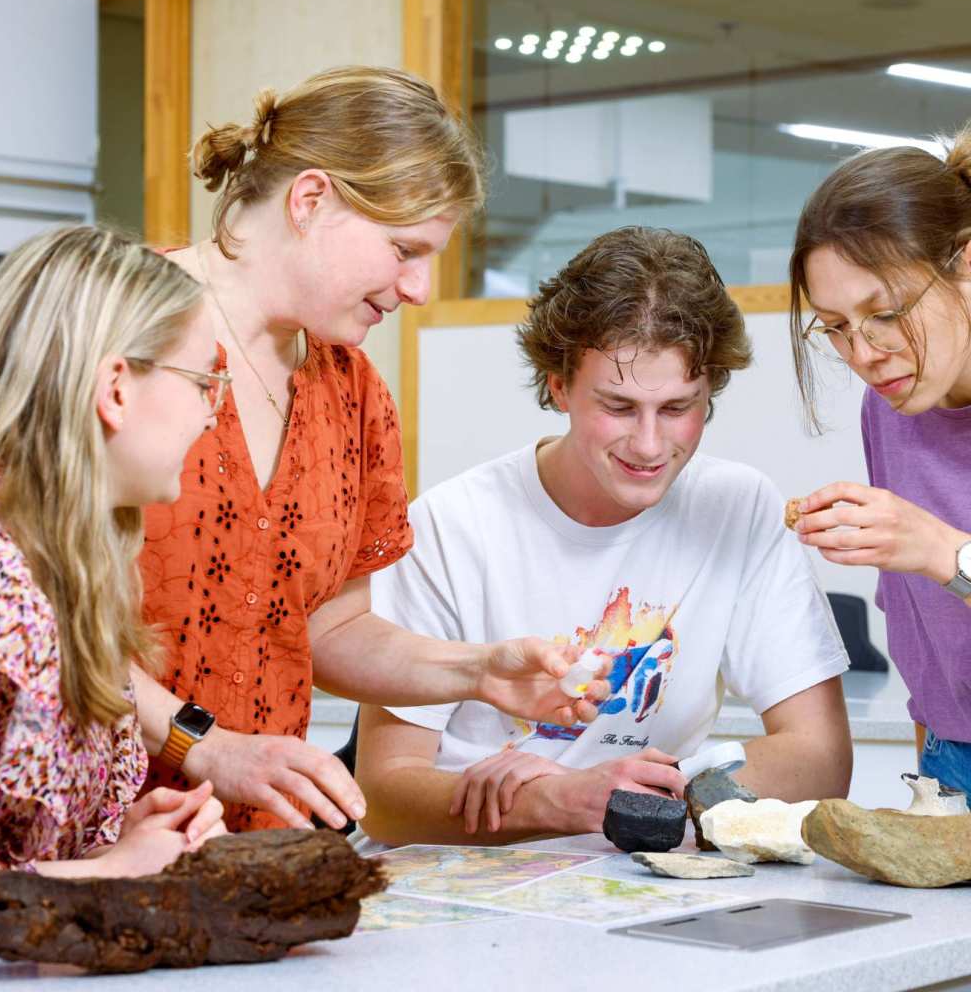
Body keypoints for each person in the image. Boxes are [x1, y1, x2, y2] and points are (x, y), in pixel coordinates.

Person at [134, 66, 605, 833]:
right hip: (95, 831)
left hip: (254, 838)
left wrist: (478, 671)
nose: (418, 288)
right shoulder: (112, 323)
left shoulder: (349, 390)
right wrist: (207, 747)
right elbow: (38, 615)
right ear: (311, 200)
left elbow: (331, 631)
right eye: (403, 250)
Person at [355, 226, 853, 846]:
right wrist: (556, 801)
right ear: (559, 385)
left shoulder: (739, 507)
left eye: (677, 408)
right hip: (460, 880)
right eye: (617, 407)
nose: (648, 445)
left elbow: (821, 763)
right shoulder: (451, 525)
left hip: (634, 873)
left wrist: (633, 793)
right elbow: (384, 798)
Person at [0, 226, 229, 950]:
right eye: (203, 383)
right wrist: (109, 875)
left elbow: (1, 852)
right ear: (116, 389)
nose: (211, 413)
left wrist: (117, 845)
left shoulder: (69, 572)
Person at [788, 124, 971, 802]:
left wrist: (940, 550)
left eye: (886, 313)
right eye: (834, 326)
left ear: (965, 261)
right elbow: (924, 635)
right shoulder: (889, 410)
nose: (864, 354)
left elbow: (937, 564)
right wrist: (936, 784)